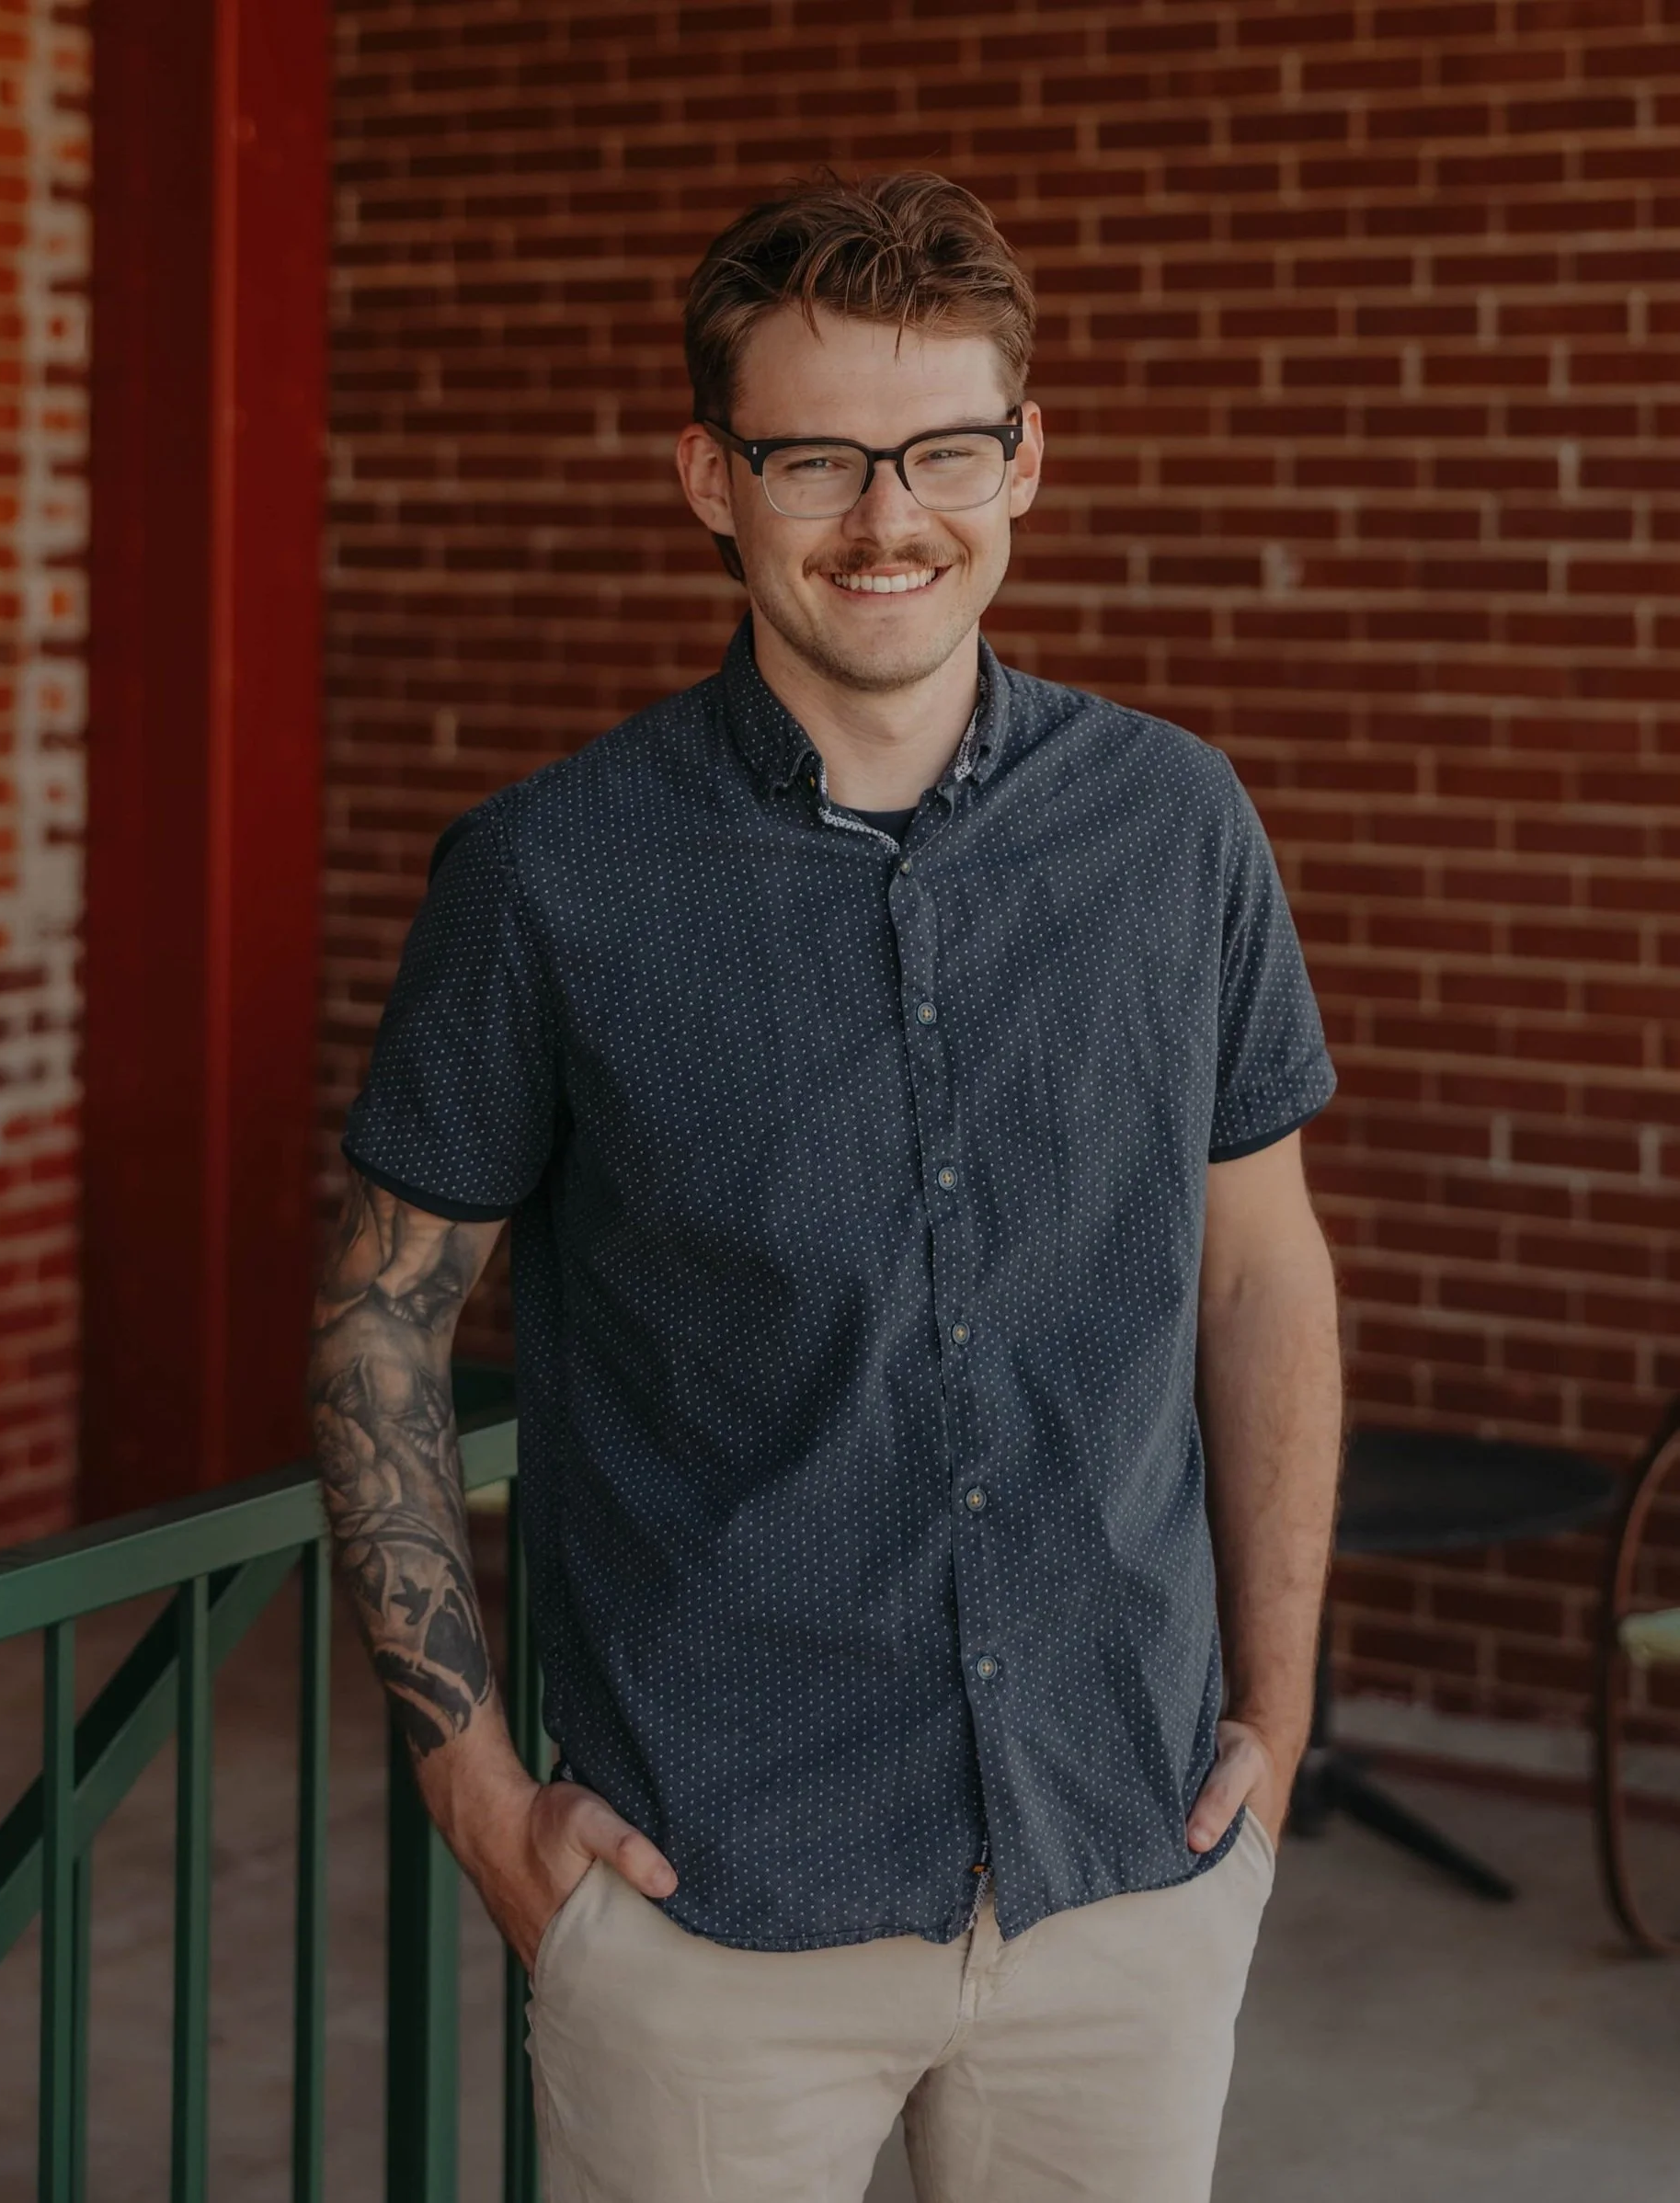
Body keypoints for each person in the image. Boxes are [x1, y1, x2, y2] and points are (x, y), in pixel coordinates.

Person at [309, 170, 1343, 2203]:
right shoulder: (546, 875)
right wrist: (477, 1795)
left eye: (942, 448)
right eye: (815, 459)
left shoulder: (1175, 825)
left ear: (1021, 459)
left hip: (1123, 1871)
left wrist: (1278, 1712)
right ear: (711, 476)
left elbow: (1258, 1274)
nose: (887, 518)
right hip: (706, 1905)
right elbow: (377, 1319)